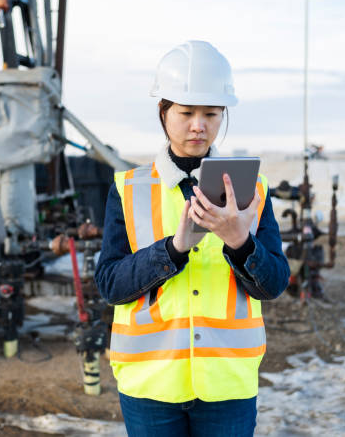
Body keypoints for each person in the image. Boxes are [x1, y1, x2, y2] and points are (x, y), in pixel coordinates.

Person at [94, 41, 290, 437]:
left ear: (223, 115)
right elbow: (110, 286)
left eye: (211, 114)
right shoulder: (128, 188)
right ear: (163, 112)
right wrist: (172, 250)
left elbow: (274, 285)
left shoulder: (254, 189)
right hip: (150, 384)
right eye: (186, 112)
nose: (198, 125)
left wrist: (241, 242)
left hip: (227, 384)